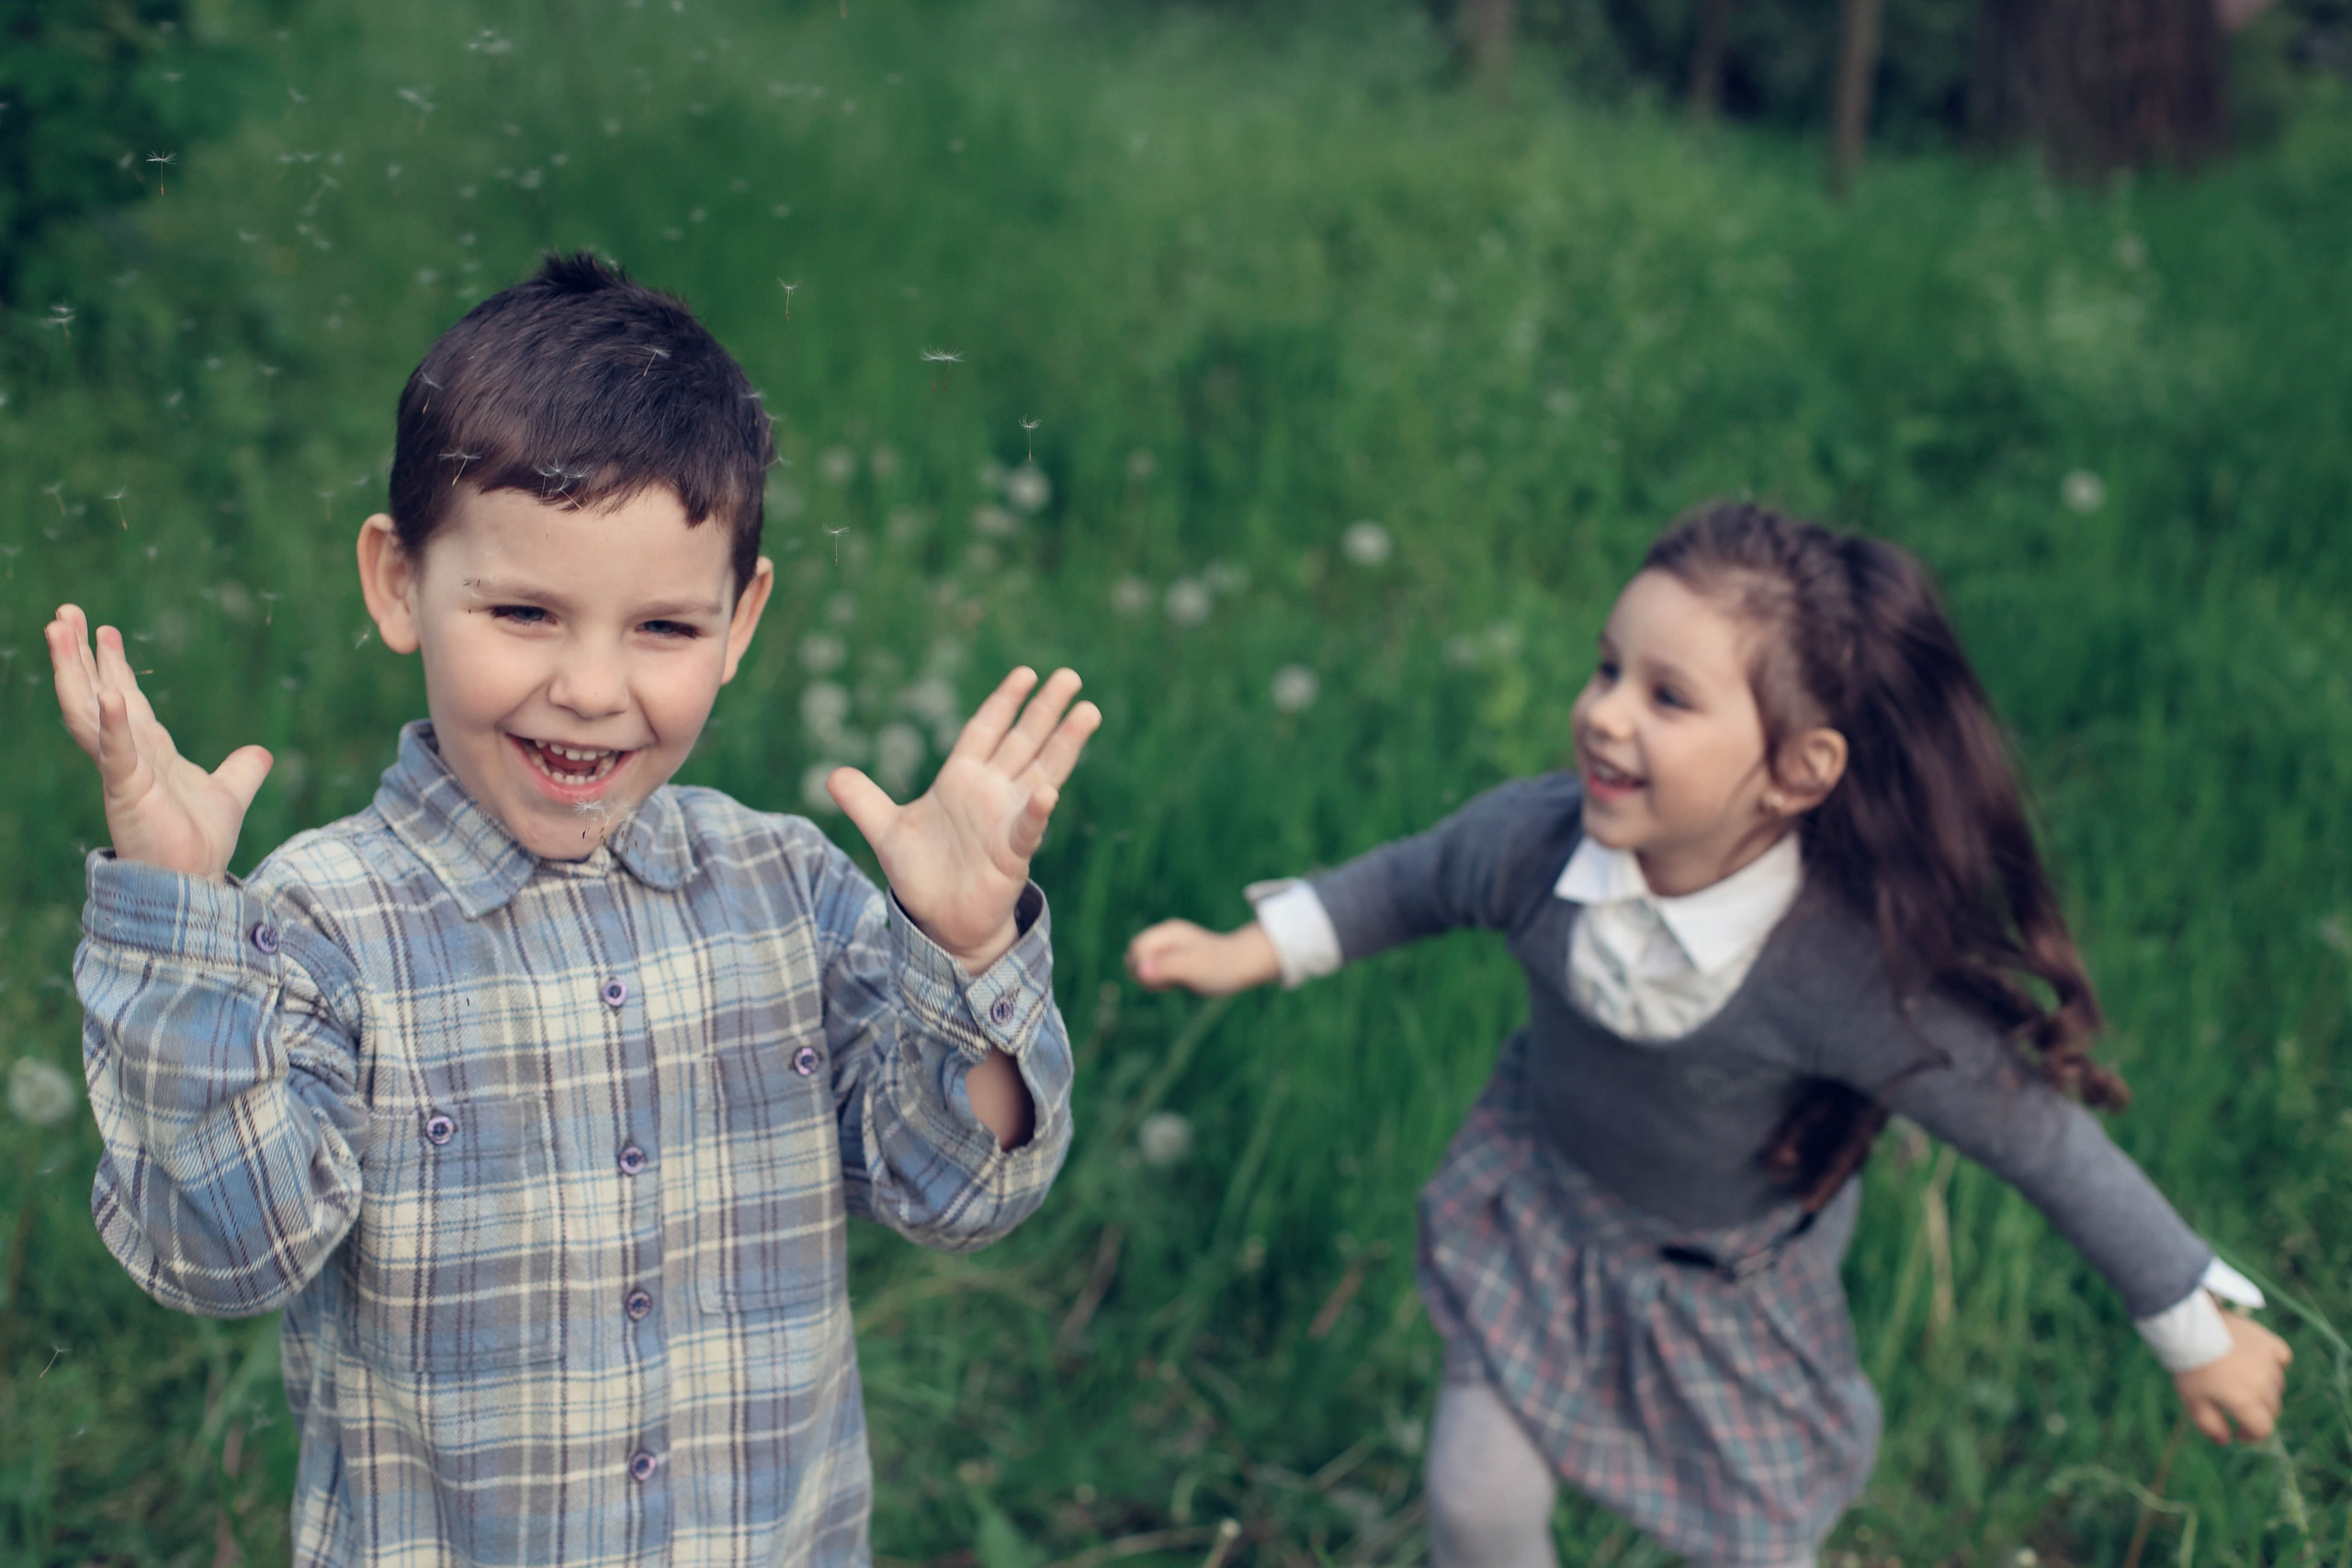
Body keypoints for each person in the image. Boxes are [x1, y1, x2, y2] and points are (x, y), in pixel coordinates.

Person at [47, 252, 1100, 1566]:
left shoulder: (786, 888)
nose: (593, 687)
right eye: (527, 611)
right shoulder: (318, 921)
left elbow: (959, 1190)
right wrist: (182, 921)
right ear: (397, 582)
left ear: (740, 620)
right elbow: (223, 1254)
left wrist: (966, 946)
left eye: (662, 627)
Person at [1125, 502, 2290, 1568]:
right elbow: (1408, 885)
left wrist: (2192, 1329)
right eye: (1605, 669)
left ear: (1795, 772)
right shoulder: (1531, 846)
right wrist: (1244, 951)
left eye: (1665, 697)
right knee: (1475, 1504)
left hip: (1726, 1292)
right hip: (1535, 1221)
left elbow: (2039, 1142)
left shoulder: (1843, 977)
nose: (1602, 714)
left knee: (1750, 1545)